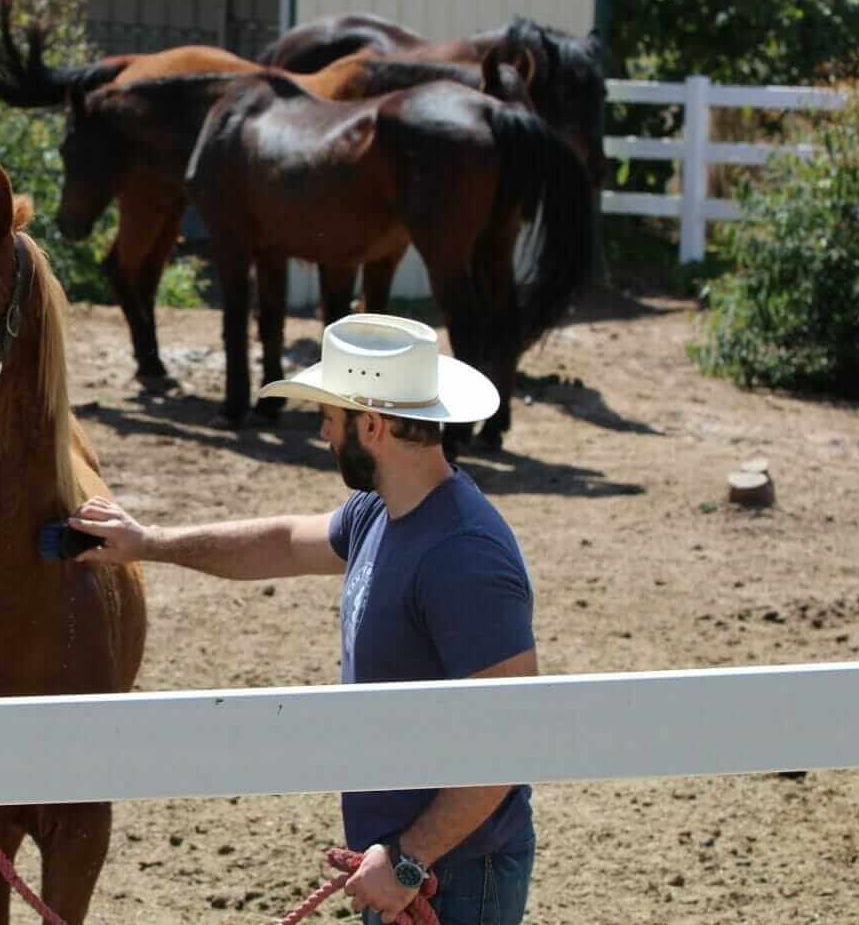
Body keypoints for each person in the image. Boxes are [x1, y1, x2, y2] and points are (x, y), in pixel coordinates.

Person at [67, 314, 538, 925]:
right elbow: (284, 542)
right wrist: (150, 543)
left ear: (372, 426)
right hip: (408, 868)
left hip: (451, 873)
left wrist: (408, 860)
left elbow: (512, 734)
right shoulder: (382, 512)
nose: (321, 431)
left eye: (330, 416)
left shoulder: (464, 555)